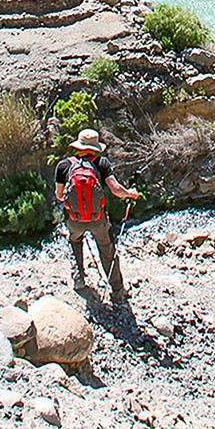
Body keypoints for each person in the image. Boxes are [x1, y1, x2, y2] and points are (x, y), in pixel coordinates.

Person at [53, 128, 139, 301]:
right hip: (98, 219)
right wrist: (130, 193)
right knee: (107, 251)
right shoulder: (102, 163)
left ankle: (79, 280)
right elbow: (115, 189)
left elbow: (59, 195)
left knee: (75, 241)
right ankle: (117, 290)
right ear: (95, 147)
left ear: (78, 144)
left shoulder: (63, 165)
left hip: (74, 219)